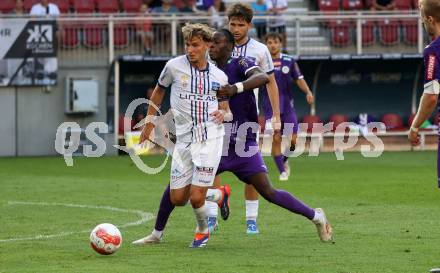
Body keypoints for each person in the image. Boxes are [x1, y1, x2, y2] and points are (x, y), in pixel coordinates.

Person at [132, 29, 333, 244]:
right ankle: (158, 233)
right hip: (212, 141)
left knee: (268, 191)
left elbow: (262, 77)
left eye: (217, 43)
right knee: (176, 189)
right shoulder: (202, 68)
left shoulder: (241, 63)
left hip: (242, 144)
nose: (212, 46)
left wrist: (235, 89)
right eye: (210, 43)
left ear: (229, 46)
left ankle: (316, 216)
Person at [133, 23, 230, 248]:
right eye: (187, 44)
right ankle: (219, 195)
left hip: (210, 140)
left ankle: (202, 230)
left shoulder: (219, 76)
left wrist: (222, 113)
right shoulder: (173, 67)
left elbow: (227, 110)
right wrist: (149, 122)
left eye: (195, 45)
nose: (190, 49)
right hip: (184, 140)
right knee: (178, 198)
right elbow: (158, 92)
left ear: (207, 45)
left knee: (196, 197)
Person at [227, 2, 281, 234]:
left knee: (251, 171)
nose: (236, 29)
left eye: (240, 25)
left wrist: (276, 115)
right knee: (210, 165)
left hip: (247, 117)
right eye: (232, 24)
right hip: (217, 116)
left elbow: (270, 83)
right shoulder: (219, 46)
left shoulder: (259, 50)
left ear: (249, 25)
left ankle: (251, 219)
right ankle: (211, 215)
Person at [263, 32, 314, 181]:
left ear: (281, 44)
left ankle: (284, 159)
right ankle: (282, 171)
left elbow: (299, 79)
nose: (272, 45)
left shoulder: (289, 61)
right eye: (270, 42)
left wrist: (308, 92)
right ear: (266, 45)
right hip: (270, 107)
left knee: (293, 141)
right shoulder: (262, 62)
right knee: (276, 138)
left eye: (275, 42)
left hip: (288, 106)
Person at [408, 0, 440, 186]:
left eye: (422, 19)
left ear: (430, 19)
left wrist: (415, 126)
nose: (422, 23)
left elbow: (431, 96)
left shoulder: (434, 50)